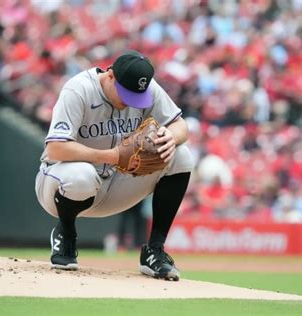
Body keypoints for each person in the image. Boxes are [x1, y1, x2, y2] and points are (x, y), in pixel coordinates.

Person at [34, 50, 193, 281]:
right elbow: (55, 148)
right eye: (125, 94)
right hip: (60, 185)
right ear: (110, 76)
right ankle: (66, 234)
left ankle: (154, 251)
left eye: (136, 96)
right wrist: (112, 156)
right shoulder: (78, 90)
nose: (129, 101)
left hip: (115, 186)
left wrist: (171, 135)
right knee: (82, 176)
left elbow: (181, 126)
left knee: (182, 156)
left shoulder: (147, 88)